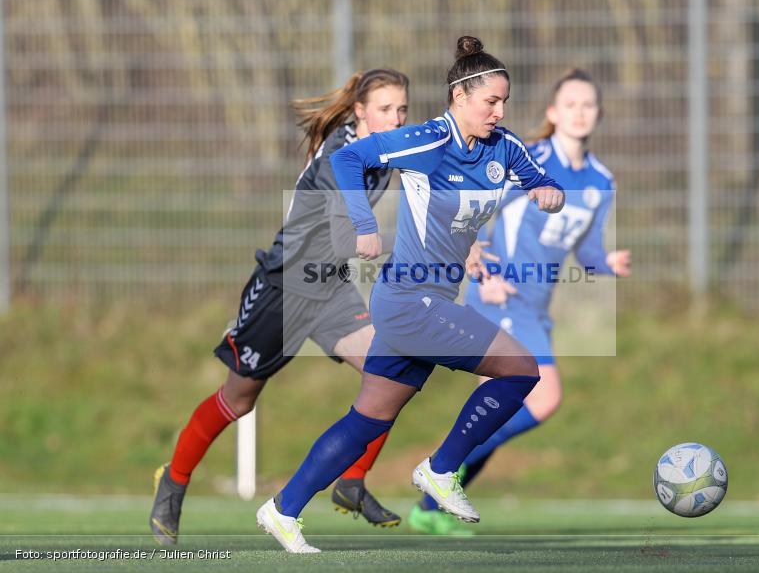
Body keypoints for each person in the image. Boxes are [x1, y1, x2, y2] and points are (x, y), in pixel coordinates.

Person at [253, 36, 565, 554]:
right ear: (459, 96)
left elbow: (540, 181)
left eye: (504, 101)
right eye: (491, 101)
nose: (500, 111)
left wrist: (548, 193)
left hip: (431, 299)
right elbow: (349, 158)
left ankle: (282, 509)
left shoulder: (504, 147)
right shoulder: (428, 140)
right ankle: (442, 469)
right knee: (521, 369)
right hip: (408, 300)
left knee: (367, 420)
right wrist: (364, 223)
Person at [149, 69, 412, 545]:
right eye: (385, 109)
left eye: (402, 110)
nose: (396, 119)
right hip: (284, 289)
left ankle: (351, 482)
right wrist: (415, 246)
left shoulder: (384, 151)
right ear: (360, 112)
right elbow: (347, 239)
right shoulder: (340, 158)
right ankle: (174, 481)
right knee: (238, 400)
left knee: (392, 373)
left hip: (329, 288)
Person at [409, 68, 632, 535]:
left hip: (534, 308)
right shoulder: (529, 160)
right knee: (545, 396)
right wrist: (479, 265)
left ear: (598, 114)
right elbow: (471, 206)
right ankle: (443, 466)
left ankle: (431, 505)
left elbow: (587, 251)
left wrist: (605, 262)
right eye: (570, 104)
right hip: (501, 293)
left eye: (588, 105)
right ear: (554, 112)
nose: (579, 112)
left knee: (495, 411)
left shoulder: (600, 180)